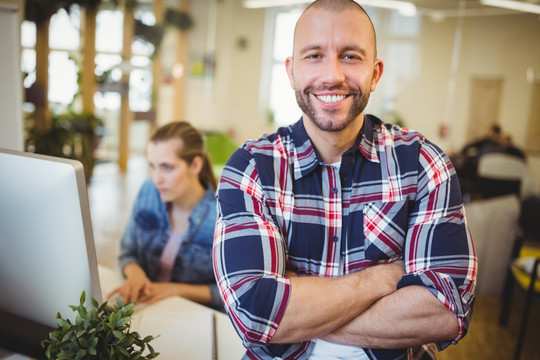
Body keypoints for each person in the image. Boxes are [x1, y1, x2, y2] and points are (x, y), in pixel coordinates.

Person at [213, 1, 477, 359]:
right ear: (291, 71)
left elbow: (446, 309)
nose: (332, 75)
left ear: (375, 72)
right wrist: (381, 280)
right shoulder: (252, 168)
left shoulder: (422, 164)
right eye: (314, 55)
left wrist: (297, 309)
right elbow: (254, 313)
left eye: (351, 56)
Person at [109, 121, 222, 310]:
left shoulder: (222, 216)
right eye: (152, 166)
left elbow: (235, 293)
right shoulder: (148, 192)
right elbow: (127, 253)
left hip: (189, 315)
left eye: (167, 167)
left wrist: (175, 290)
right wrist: (137, 276)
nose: (157, 178)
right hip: (145, 305)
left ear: (195, 165)